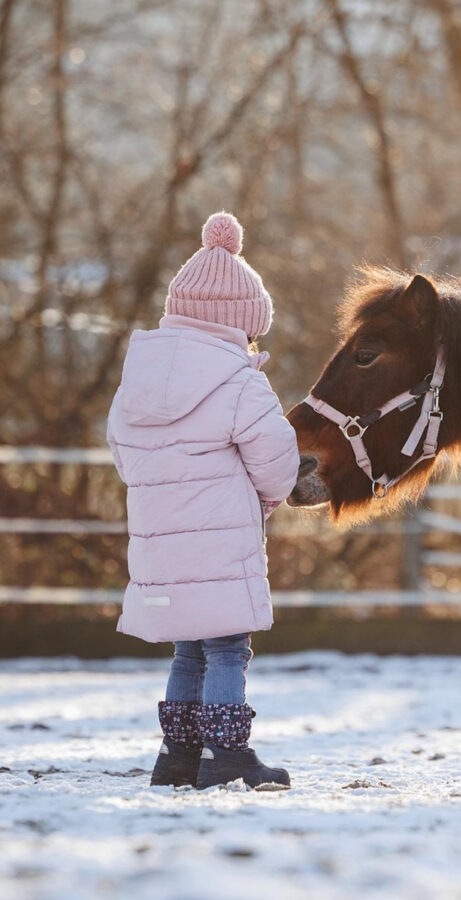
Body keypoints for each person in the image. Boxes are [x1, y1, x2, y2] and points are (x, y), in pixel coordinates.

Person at [106, 211, 299, 790]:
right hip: (220, 541)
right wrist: (264, 500)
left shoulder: (136, 376)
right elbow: (278, 460)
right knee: (228, 649)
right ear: (239, 323)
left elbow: (122, 452)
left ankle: (178, 757)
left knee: (189, 649)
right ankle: (227, 753)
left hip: (159, 539)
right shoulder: (240, 380)